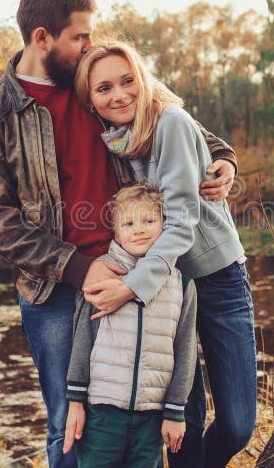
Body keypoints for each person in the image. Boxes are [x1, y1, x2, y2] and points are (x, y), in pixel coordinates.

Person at [0, 0, 237, 468]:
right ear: (43, 38)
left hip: (137, 265)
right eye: (80, 36)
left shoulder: (102, 79)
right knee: (69, 427)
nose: (91, 44)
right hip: (54, 289)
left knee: (155, 420)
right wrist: (77, 266)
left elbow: (180, 122)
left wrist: (226, 160)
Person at [75, 40, 256, 468]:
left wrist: (130, 288)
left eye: (126, 82)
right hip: (166, 288)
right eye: (104, 89)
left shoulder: (169, 122)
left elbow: (181, 222)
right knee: (182, 427)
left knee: (236, 425)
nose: (119, 95)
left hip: (214, 279)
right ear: (91, 100)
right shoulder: (118, 141)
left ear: (142, 79)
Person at [62, 182, 197, 467]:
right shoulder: (101, 273)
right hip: (102, 412)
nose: (139, 229)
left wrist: (175, 412)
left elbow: (186, 351)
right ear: (116, 231)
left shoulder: (181, 284)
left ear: (164, 224)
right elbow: (82, 339)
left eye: (149, 220)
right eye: (129, 222)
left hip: (152, 415)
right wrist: (76, 401)